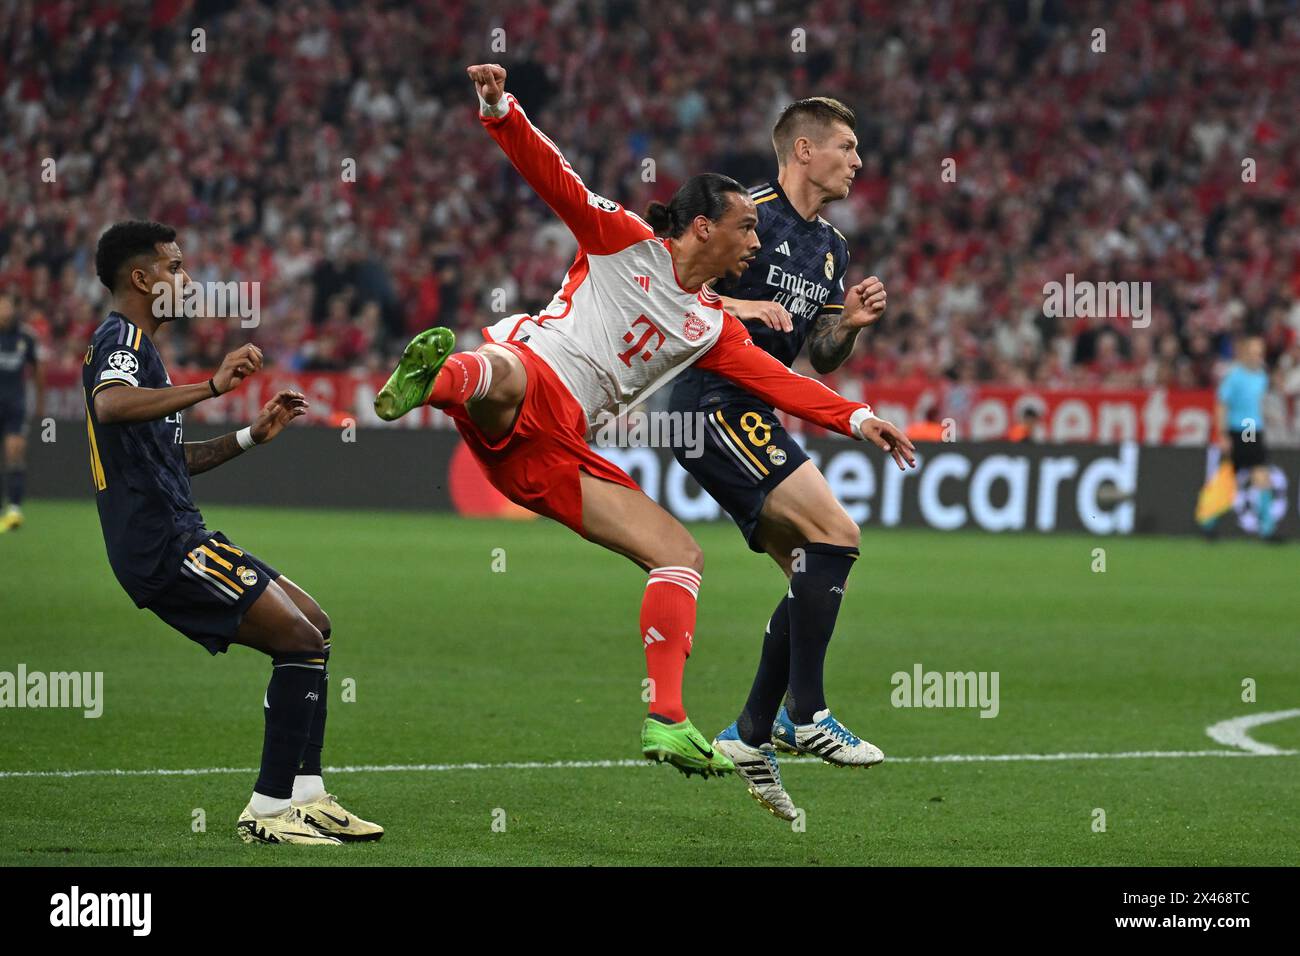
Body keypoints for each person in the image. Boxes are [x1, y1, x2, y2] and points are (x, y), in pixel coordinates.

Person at [374, 64, 916, 790]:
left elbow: (785, 381)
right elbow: (554, 174)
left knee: (680, 554)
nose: (756, 242)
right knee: (505, 371)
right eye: (745, 229)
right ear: (704, 227)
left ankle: (668, 717)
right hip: (535, 381)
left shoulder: (707, 324)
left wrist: (858, 417)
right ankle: (437, 381)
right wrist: (501, 111)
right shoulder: (623, 240)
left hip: (560, 451)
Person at [86, 220, 381, 845]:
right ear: (141, 278)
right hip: (162, 547)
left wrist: (251, 434)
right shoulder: (120, 339)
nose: (185, 278)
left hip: (182, 533)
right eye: (174, 266)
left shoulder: (146, 348)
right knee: (298, 641)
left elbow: (174, 459)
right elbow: (109, 404)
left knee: (315, 626)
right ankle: (267, 811)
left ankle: (307, 795)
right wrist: (213, 386)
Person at [666, 97, 889, 818]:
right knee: (839, 534)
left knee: (808, 572)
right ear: (802, 149)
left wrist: (847, 326)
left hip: (750, 411)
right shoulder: (745, 211)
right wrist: (742, 311)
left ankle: (751, 733)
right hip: (710, 403)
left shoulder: (832, 249)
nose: (857, 161)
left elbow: (817, 357)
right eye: (847, 147)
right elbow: (670, 289)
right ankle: (807, 712)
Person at [1215, 334, 1278, 541]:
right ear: (1244, 353)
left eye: (1260, 352)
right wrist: (1222, 434)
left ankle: (1209, 521)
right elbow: (1222, 403)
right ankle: (1266, 529)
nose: (1257, 355)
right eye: (1253, 351)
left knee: (1237, 475)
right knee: (1256, 473)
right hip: (1244, 429)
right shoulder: (1235, 375)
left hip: (1253, 428)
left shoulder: (1261, 375)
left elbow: (1258, 404)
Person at [0, 292, 43, 532]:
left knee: (14, 453)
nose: (4, 311)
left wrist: (39, 403)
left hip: (15, 404)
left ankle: (14, 509)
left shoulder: (26, 336)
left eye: (7, 306)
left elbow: (38, 368)